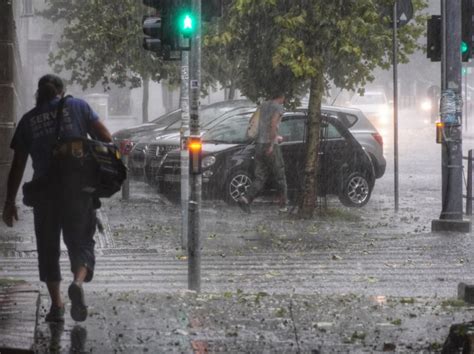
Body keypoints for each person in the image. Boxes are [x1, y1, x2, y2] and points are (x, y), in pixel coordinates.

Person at [2, 74, 112, 323]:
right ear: (61, 91)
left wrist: (9, 203)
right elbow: (105, 137)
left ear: (38, 94)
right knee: (81, 242)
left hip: (45, 194)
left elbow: (17, 165)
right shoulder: (78, 106)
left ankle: (58, 306)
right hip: (77, 191)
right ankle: (77, 282)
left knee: (48, 250)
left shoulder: (28, 121)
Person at [237, 93, 287, 213]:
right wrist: (271, 143)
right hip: (270, 145)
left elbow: (256, 123)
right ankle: (283, 206)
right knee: (280, 176)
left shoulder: (263, 106)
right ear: (282, 95)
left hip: (259, 144)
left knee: (260, 176)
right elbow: (273, 124)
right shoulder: (278, 107)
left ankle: (246, 198)